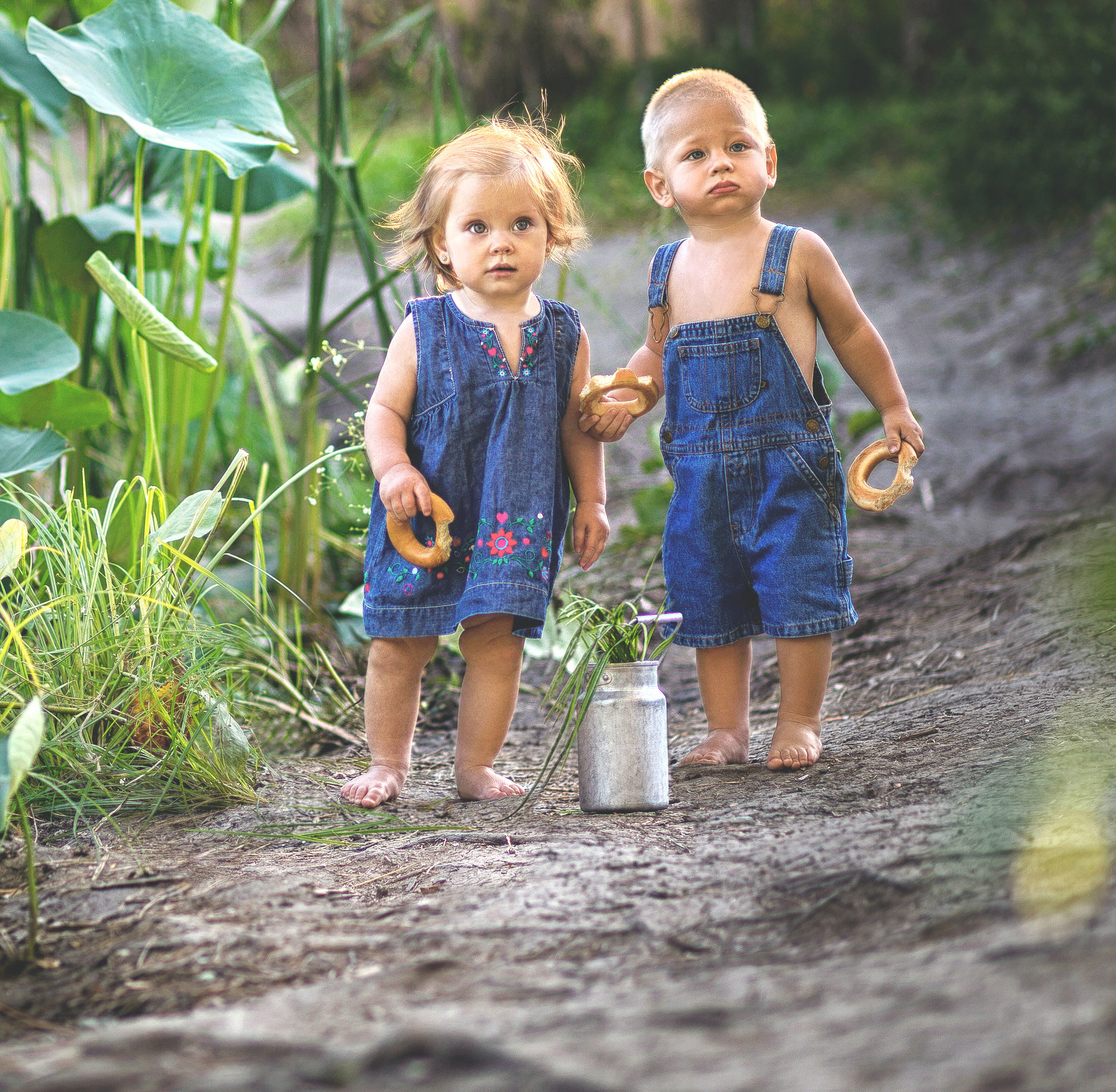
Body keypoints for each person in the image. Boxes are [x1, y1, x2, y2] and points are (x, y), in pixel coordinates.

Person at [581, 69, 924, 770]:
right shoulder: (667, 268)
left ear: (768, 161)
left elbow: (852, 331)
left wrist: (892, 405)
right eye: (696, 154)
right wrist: (631, 396)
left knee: (800, 589)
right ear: (660, 185)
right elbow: (656, 353)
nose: (720, 164)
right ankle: (726, 730)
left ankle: (799, 720)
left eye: (736, 146)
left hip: (788, 465)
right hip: (700, 475)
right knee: (709, 599)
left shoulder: (797, 251)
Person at [342, 116, 612, 806]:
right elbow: (384, 412)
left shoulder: (565, 333)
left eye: (522, 224)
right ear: (442, 242)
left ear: (551, 233)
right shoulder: (426, 327)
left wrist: (592, 500)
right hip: (428, 510)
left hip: (516, 519)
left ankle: (475, 767)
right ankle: (387, 763)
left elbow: (577, 426)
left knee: (498, 643)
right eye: (476, 227)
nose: (501, 242)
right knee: (401, 641)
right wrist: (394, 470)